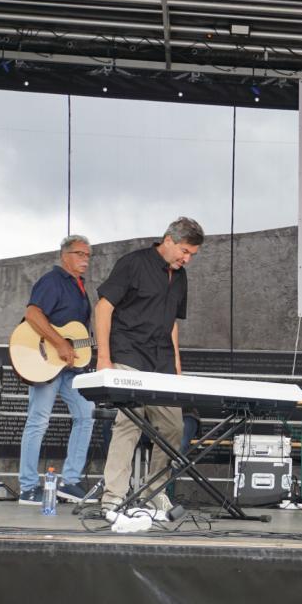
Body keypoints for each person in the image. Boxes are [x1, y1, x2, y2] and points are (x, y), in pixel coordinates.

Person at [96, 217, 204, 512]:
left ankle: (154, 491)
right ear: (168, 240)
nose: (187, 259)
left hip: (161, 361)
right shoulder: (133, 263)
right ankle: (114, 495)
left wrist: (176, 365)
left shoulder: (180, 277)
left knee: (173, 427)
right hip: (128, 353)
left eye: (192, 254)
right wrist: (104, 358)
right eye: (184, 251)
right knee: (129, 421)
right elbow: (103, 307)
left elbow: (172, 323)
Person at [17, 235, 98, 505]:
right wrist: (60, 343)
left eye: (88, 255)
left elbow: (76, 332)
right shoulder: (52, 280)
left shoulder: (79, 287)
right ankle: (28, 487)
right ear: (64, 256)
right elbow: (33, 314)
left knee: (86, 415)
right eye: (79, 254)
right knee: (38, 420)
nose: (85, 259)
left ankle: (69, 482)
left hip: (68, 367)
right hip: (46, 362)